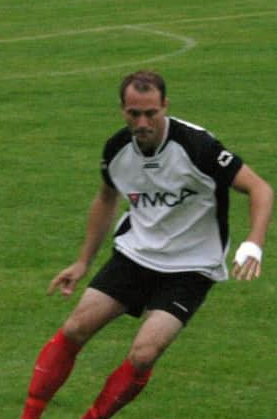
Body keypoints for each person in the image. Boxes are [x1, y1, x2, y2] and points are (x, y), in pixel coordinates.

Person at [20, 70, 273, 419]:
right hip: (136, 255)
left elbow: (260, 188)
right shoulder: (116, 149)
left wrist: (253, 243)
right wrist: (82, 262)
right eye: (133, 113)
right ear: (122, 110)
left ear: (165, 106)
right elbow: (106, 198)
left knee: (143, 354)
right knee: (75, 327)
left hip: (191, 267)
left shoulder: (198, 147)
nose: (142, 122)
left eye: (151, 113)